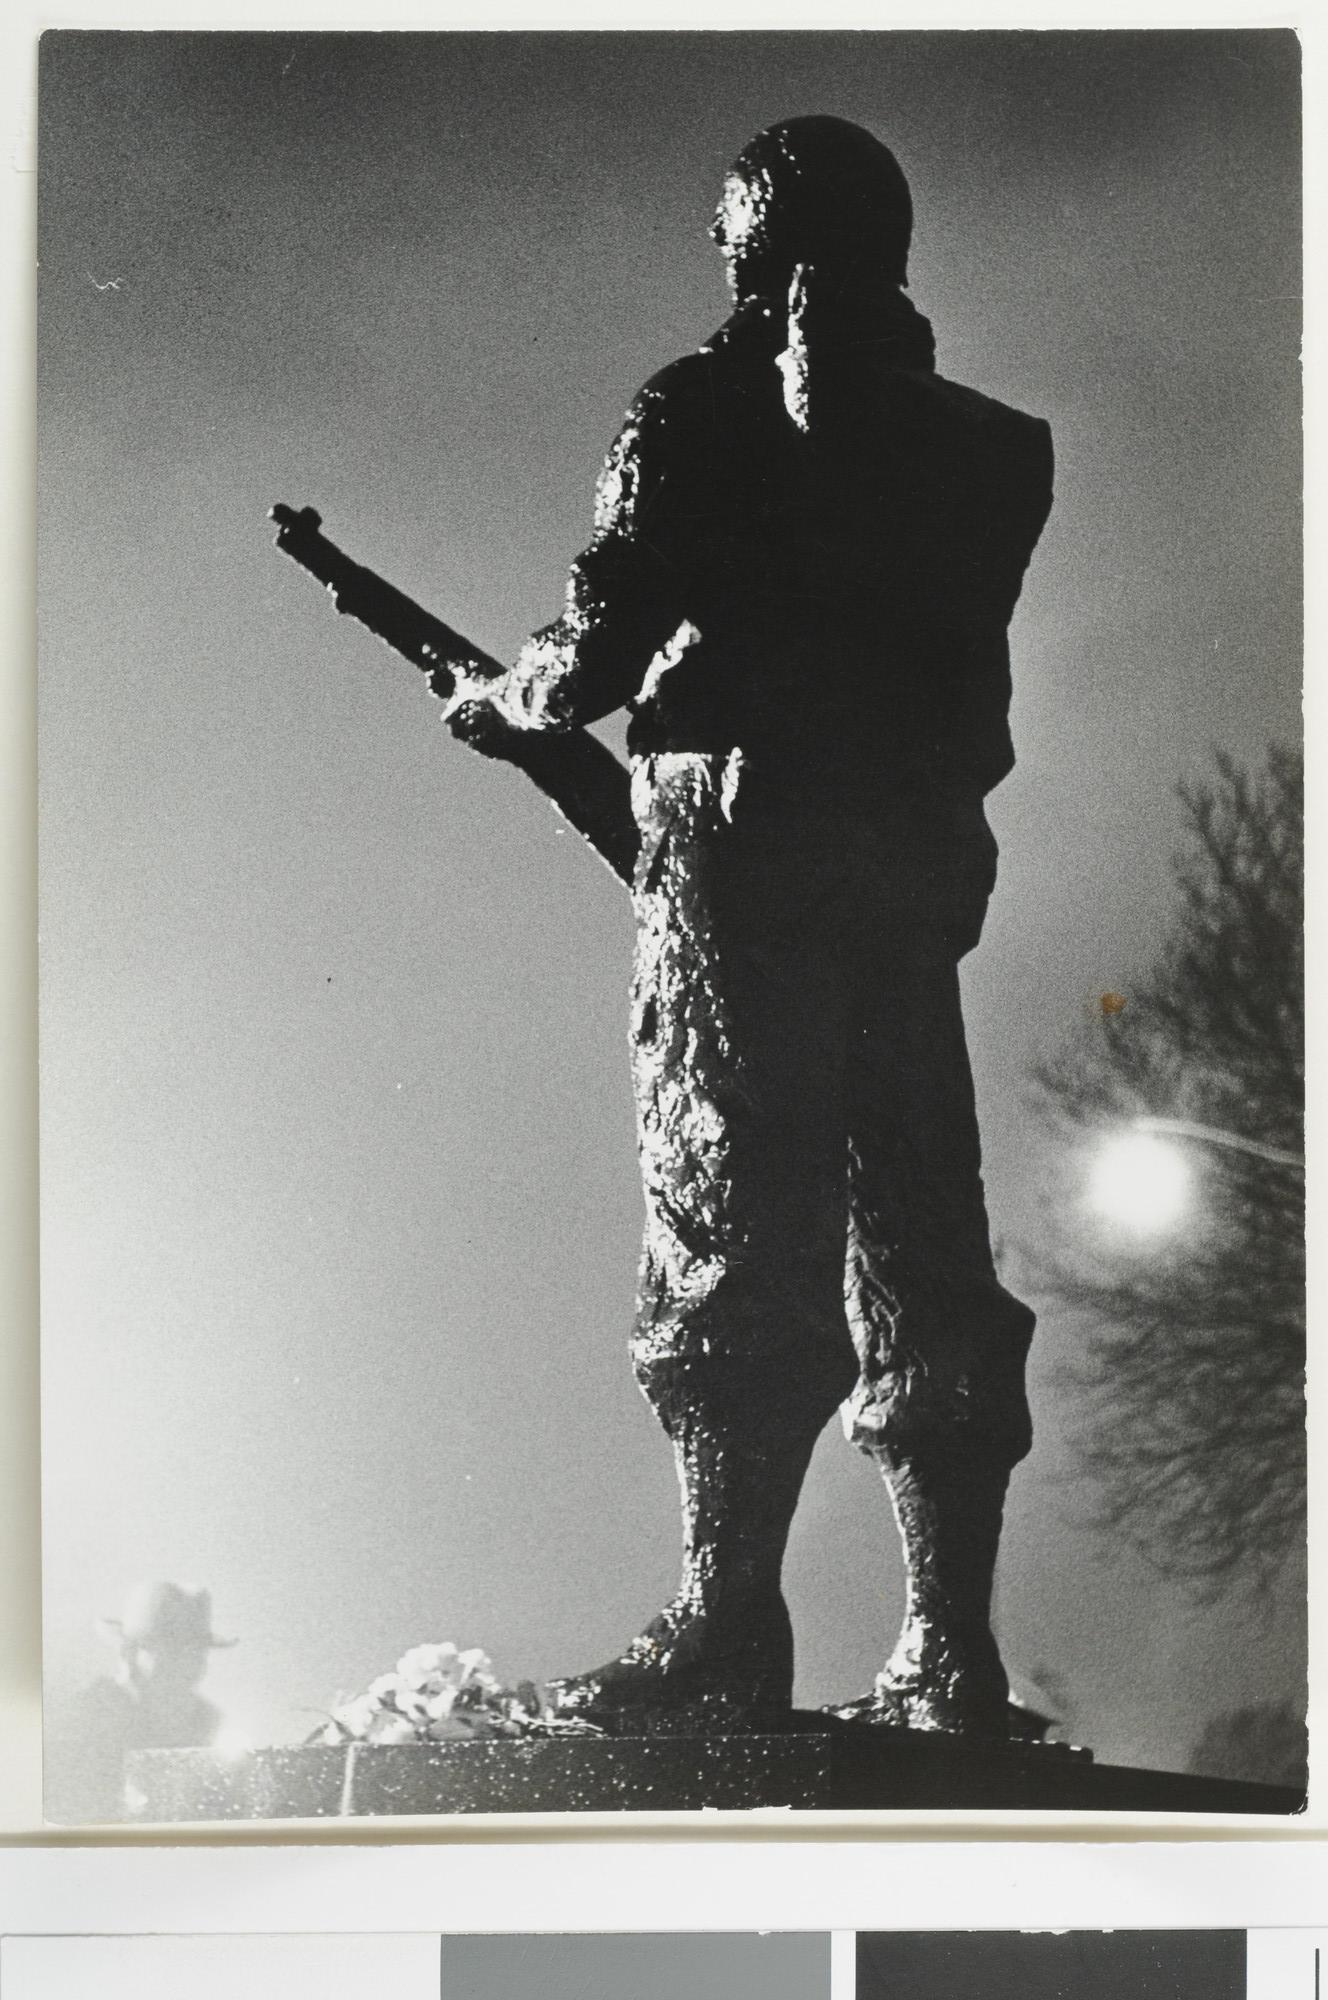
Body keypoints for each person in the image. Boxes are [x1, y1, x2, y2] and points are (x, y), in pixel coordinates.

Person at [448, 116, 1054, 1737]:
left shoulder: (689, 413)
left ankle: (724, 1624)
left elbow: (586, 655)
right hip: (908, 876)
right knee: (918, 1231)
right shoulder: (996, 452)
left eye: (731, 249)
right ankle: (947, 1650)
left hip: (733, 865)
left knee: (723, 1221)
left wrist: (499, 702)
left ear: (755, 252)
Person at [50, 1582, 233, 1821]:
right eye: (173, 1649)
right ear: (130, 1653)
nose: (189, 1664)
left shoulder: (208, 1723)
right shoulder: (85, 1716)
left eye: (197, 1652)